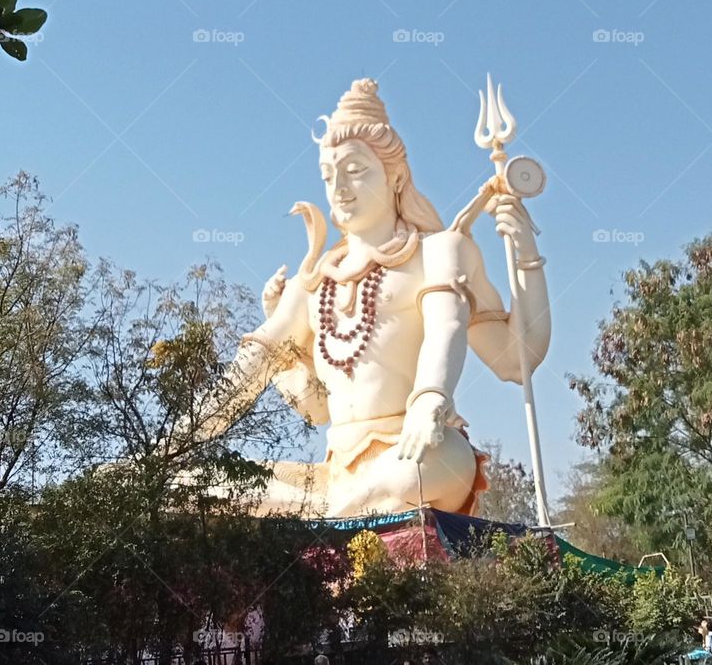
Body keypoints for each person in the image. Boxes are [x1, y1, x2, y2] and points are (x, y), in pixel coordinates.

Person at [172, 79, 552, 518]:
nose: (340, 188)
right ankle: (328, 513)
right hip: (338, 473)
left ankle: (319, 517)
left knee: (414, 471)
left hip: (422, 452)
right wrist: (176, 441)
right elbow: (283, 389)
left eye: (355, 170)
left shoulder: (438, 251)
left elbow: (513, 359)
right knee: (192, 486)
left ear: (395, 176)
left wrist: (525, 257)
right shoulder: (312, 283)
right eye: (329, 175)